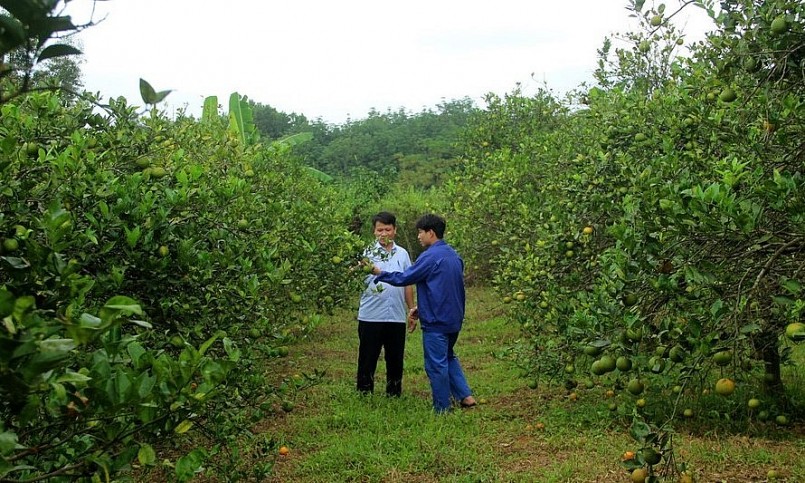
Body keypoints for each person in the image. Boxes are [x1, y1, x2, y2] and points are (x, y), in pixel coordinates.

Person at [373, 213, 476, 412]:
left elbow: (405, 278)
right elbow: (444, 288)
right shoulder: (453, 255)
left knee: (436, 364)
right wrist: (422, 307)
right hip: (453, 318)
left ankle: (442, 407)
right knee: (448, 356)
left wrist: (380, 274)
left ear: (431, 233)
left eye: (420, 232)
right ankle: (465, 396)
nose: (418, 236)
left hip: (436, 321)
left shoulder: (429, 257)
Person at [356, 212, 415, 397]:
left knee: (395, 358)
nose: (384, 233)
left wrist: (411, 308)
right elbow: (352, 276)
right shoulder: (366, 253)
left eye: (387, 229)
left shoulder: (403, 254)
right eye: (380, 229)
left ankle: (394, 392)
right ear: (374, 232)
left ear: (394, 230)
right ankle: (364, 392)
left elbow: (407, 283)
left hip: (396, 315)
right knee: (367, 357)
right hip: (371, 314)